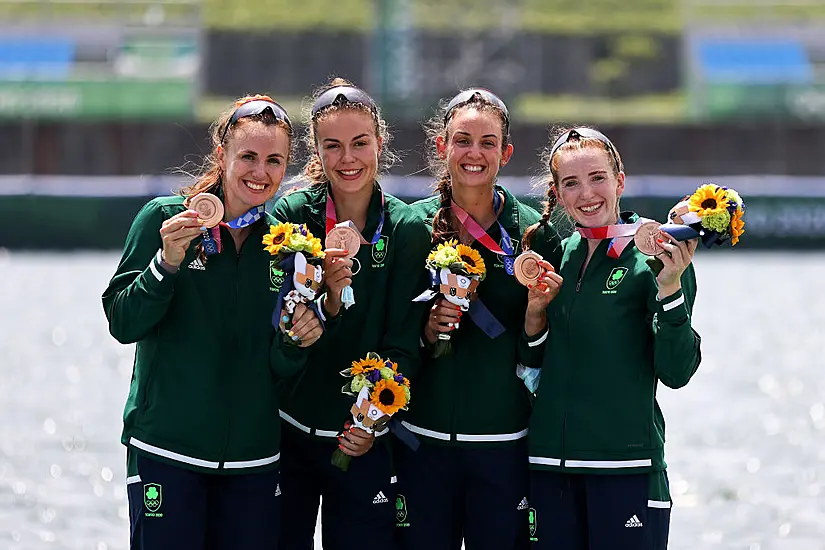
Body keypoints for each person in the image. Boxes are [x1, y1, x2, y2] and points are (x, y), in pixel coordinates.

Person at [102, 95, 323, 549]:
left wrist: (298, 341)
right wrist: (165, 264)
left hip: (252, 463)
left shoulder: (289, 245)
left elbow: (281, 370)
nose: (260, 172)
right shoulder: (164, 218)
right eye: (248, 156)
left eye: (274, 160)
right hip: (166, 453)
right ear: (221, 153)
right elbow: (122, 323)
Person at [394, 88, 562, 550]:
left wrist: (536, 316)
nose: (475, 153)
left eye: (488, 143)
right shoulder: (410, 227)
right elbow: (388, 329)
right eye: (463, 140)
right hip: (422, 443)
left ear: (506, 152)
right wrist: (427, 330)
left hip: (503, 444)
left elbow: (548, 348)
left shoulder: (534, 233)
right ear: (441, 146)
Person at [520, 127, 701, 550]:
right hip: (550, 470)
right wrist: (533, 316)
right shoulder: (556, 256)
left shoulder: (656, 256)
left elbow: (676, 372)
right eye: (571, 183)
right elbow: (534, 366)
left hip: (626, 470)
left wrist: (671, 286)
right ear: (559, 194)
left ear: (620, 180)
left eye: (597, 177)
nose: (587, 193)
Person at [272, 78, 431, 550]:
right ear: (316, 151)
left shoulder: (406, 227)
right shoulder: (293, 213)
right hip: (289, 433)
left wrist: (372, 421)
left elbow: (404, 343)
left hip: (363, 440)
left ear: (380, 142)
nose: (348, 159)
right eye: (333, 146)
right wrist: (326, 297)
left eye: (360, 143)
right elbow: (278, 322)